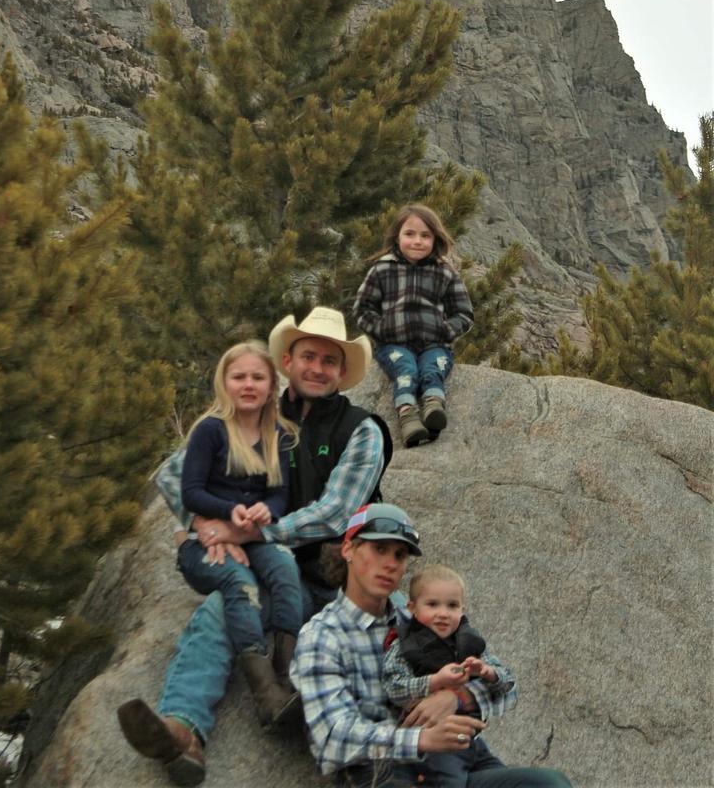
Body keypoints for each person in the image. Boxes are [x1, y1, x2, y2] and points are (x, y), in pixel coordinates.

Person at [117, 306, 392, 786]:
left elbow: (337, 511)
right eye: (308, 357)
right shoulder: (253, 411)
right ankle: (182, 731)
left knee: (390, 642)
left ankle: (360, 753)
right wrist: (204, 523)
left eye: (329, 360)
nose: (317, 368)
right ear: (288, 361)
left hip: (331, 580)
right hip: (270, 569)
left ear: (342, 371)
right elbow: (174, 473)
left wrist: (251, 534)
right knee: (222, 609)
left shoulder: (361, 429)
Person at [291, 502, 574, 788]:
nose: (390, 563)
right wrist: (421, 738)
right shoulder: (322, 636)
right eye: (379, 549)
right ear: (348, 550)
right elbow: (332, 739)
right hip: (385, 772)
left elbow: (508, 689)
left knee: (551, 784)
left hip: (459, 758)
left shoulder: (422, 616)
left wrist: (457, 698)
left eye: (399, 555)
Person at [177, 341, 301, 726]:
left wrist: (269, 510)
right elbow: (190, 491)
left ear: (271, 385)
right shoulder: (210, 431)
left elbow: (280, 493)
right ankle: (265, 692)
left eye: (258, 377)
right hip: (204, 544)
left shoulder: (278, 434)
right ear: (224, 382)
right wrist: (227, 511)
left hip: (253, 534)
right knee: (240, 583)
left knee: (286, 571)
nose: (248, 385)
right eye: (239, 377)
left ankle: (286, 675)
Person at [383, 564, 521, 786]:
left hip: (473, 743)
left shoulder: (470, 643)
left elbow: (509, 684)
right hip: (435, 746)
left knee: (508, 779)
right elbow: (393, 688)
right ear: (412, 608)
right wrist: (434, 681)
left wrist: (489, 673)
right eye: (432, 604)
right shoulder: (403, 645)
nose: (443, 614)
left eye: (452, 605)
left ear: (462, 610)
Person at [353, 203, 473, 448]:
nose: (417, 241)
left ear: (435, 239)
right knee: (405, 370)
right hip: (393, 345)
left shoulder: (444, 272)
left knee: (433, 369)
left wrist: (445, 330)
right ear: (397, 237)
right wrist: (382, 329)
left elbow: (463, 313)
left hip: (434, 344)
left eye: (425, 236)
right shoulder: (382, 269)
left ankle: (433, 407)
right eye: (410, 234)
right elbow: (362, 310)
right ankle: (408, 417)